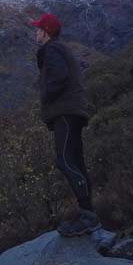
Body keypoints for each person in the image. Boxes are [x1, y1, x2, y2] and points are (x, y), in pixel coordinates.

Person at [31, 12, 99, 236]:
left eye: (38, 28)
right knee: (76, 161)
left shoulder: (52, 49)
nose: (35, 32)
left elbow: (59, 77)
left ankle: (88, 216)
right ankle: (88, 213)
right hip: (73, 111)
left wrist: (47, 96)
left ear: (46, 32)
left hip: (65, 112)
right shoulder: (60, 49)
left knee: (65, 160)